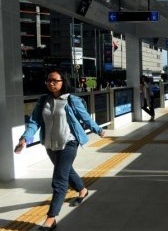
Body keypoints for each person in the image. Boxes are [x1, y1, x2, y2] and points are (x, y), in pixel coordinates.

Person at [14, 70, 105, 230]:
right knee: (66, 170)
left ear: (64, 82)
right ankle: (82, 190)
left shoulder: (71, 100)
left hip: (69, 142)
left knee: (59, 180)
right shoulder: (43, 101)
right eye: (48, 80)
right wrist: (24, 139)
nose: (51, 83)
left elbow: (85, 117)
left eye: (55, 80)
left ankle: (51, 218)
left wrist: (98, 130)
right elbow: (34, 121)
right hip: (50, 144)